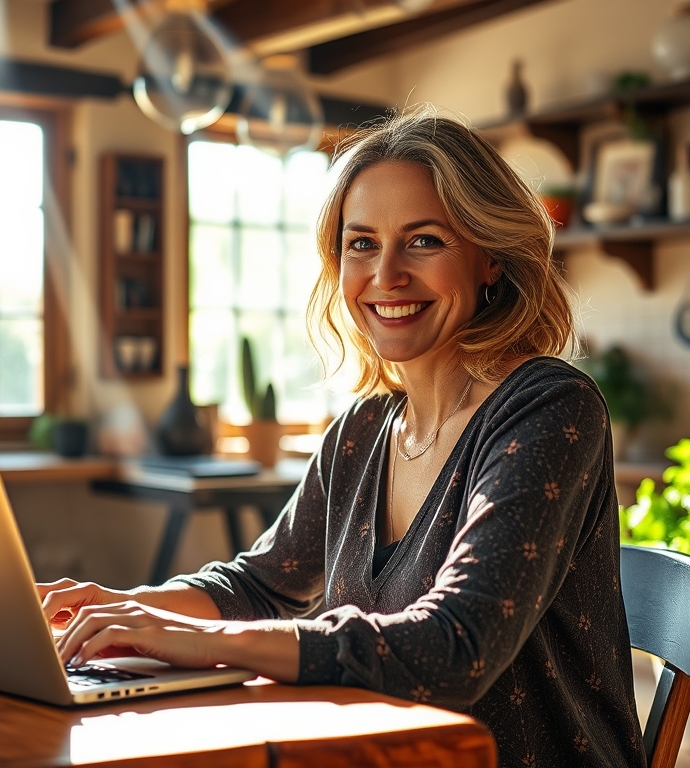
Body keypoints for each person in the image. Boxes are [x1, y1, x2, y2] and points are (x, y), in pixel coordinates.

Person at [39, 106, 644, 768]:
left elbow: (457, 646)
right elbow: (261, 585)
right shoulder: (365, 427)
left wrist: (203, 640)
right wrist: (116, 609)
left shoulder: (550, 407)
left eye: (424, 241)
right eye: (362, 244)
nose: (385, 276)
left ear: (491, 260)